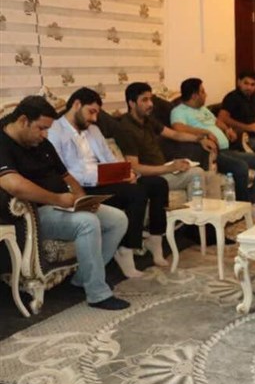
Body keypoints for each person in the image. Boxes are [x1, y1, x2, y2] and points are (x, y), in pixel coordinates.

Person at [0, 96, 129, 310]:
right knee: (87, 223)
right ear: (23, 121)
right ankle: (98, 294)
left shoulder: (41, 143)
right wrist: (58, 199)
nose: (45, 135)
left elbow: (66, 176)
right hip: (35, 213)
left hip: (64, 205)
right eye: (41, 128)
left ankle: (82, 278)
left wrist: (83, 199)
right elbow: (14, 184)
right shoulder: (3, 143)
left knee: (118, 219)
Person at [48, 87, 170, 278]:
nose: (94, 118)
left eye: (97, 113)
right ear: (77, 105)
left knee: (158, 184)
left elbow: (108, 158)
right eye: (91, 112)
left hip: (105, 180)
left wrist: (125, 173)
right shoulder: (55, 131)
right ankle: (125, 249)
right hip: (82, 187)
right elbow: (61, 172)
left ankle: (155, 239)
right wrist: (99, 176)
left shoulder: (93, 130)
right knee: (136, 193)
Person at [171, 78, 255, 218]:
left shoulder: (202, 109)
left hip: (227, 150)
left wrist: (227, 129)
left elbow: (217, 121)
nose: (206, 94)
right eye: (202, 92)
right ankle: (244, 206)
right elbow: (178, 128)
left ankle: (253, 201)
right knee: (241, 167)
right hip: (211, 154)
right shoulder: (179, 111)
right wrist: (204, 132)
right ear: (194, 96)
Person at [116, 82, 219, 199]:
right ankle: (197, 210)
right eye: (145, 100)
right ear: (132, 103)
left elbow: (175, 134)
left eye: (150, 99)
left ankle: (217, 211)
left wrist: (199, 139)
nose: (150, 104)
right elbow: (135, 167)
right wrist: (170, 168)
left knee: (211, 176)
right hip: (150, 178)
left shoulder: (147, 120)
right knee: (196, 173)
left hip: (163, 170)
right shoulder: (126, 129)